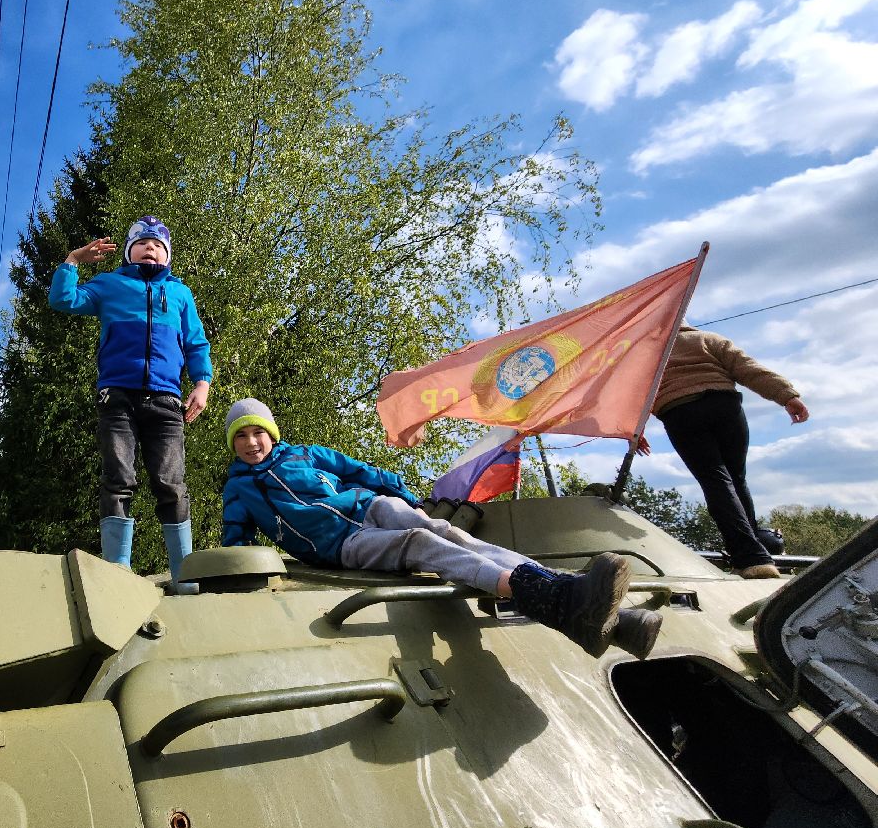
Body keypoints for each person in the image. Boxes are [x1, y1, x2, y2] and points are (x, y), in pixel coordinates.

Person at [221, 398, 661, 658]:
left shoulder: (306, 455)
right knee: (419, 543)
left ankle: (604, 610)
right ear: (233, 444)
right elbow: (235, 540)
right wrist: (230, 580)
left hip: (369, 507)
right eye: (241, 436)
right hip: (344, 543)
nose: (251, 442)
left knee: (446, 532)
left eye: (257, 431)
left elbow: (359, 471)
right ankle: (560, 599)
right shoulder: (239, 489)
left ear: (271, 433)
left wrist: (401, 491)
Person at [49, 215, 212, 591]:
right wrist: (73, 260)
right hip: (117, 397)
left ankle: (183, 574)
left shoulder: (181, 293)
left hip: (167, 400)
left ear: (167, 255)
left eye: (158, 244)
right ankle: (118, 572)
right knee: (119, 480)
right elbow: (63, 299)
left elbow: (196, 343)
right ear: (128, 250)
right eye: (142, 243)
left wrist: (202, 383)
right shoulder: (111, 284)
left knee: (171, 483)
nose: (150, 248)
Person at [650, 325, 809, 580]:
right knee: (737, 478)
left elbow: (635, 393)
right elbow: (748, 368)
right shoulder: (708, 339)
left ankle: (750, 557)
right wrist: (787, 396)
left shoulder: (649, 351)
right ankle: (755, 552)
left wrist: (633, 433)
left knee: (715, 480)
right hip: (725, 407)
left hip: (680, 412)